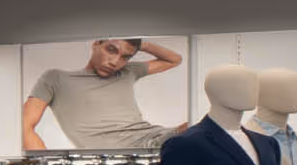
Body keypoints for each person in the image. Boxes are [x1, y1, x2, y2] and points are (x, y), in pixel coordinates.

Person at [22, 38, 180, 149]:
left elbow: (174, 60)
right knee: (201, 128)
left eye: (125, 57)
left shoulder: (127, 71)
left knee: (201, 123)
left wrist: (141, 44)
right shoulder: (56, 78)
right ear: (96, 43)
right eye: (111, 50)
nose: (115, 62)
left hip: (156, 137)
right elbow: (24, 125)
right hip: (129, 151)